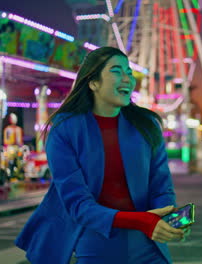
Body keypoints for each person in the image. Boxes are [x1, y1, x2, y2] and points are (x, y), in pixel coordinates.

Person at [15, 47, 187, 264]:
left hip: (148, 244)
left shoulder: (147, 125)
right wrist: (142, 221)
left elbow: (161, 186)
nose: (127, 79)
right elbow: (78, 205)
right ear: (93, 83)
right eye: (117, 71)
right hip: (97, 241)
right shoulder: (64, 129)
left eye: (129, 72)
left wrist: (167, 218)